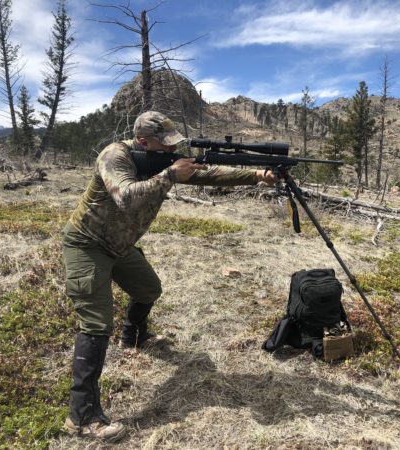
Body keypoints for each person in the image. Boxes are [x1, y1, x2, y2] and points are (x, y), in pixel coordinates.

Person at [62, 111, 274, 441]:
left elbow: (210, 174)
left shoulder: (162, 160)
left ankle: (135, 335)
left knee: (149, 288)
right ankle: (81, 415)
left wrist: (257, 174)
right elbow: (125, 196)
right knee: (96, 323)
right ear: (143, 142)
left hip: (120, 245)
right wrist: (170, 175)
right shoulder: (114, 156)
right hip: (87, 243)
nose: (169, 152)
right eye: (164, 146)